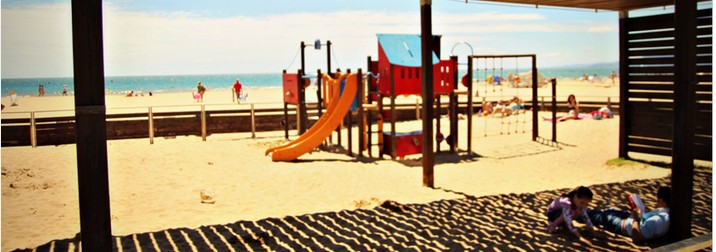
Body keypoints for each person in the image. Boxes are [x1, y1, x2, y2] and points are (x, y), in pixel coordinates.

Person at [588, 187, 671, 244]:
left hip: (623, 225)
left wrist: (636, 219)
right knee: (610, 211)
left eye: (657, 199)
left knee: (600, 216)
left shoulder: (658, 221)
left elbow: (637, 238)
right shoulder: (665, 213)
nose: (656, 202)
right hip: (629, 218)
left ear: (662, 201)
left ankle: (582, 213)